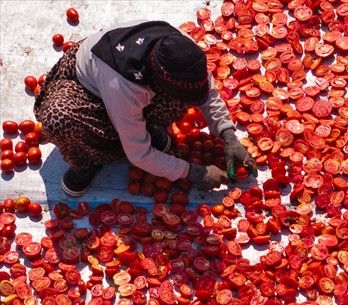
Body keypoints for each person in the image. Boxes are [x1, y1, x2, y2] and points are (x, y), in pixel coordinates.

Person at [33, 20, 256, 197]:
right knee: (59, 118)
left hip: (127, 86)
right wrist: (193, 172)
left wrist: (228, 135)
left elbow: (206, 92)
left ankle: (145, 129)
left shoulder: (181, 50)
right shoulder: (125, 86)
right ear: (159, 84)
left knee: (169, 104)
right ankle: (86, 162)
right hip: (88, 85)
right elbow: (138, 155)